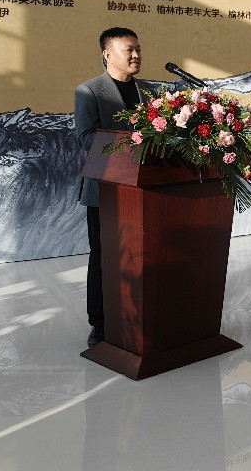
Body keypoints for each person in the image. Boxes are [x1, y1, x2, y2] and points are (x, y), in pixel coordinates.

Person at [74, 27, 150, 348]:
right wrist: (132, 140)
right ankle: (100, 323)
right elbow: (85, 138)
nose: (136, 55)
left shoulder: (150, 92)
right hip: (105, 188)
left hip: (146, 187)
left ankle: (138, 312)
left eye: (138, 49)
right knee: (104, 256)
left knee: (141, 254)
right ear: (108, 54)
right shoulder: (89, 91)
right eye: (128, 50)